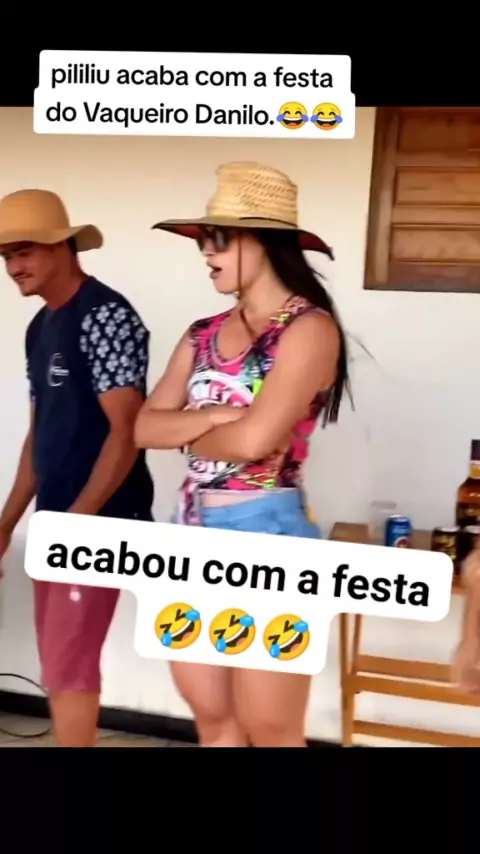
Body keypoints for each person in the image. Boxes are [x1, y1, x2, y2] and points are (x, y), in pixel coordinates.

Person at [135, 161, 351, 747]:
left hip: (270, 534)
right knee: (212, 717)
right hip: (189, 532)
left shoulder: (309, 329)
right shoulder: (201, 333)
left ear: (265, 242)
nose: (206, 251)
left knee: (271, 727)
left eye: (220, 238)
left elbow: (257, 442)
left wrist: (186, 429)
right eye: (203, 239)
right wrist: (214, 418)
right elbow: (142, 428)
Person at [0, 189, 154, 747]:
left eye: (25, 251)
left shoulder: (105, 315)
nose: (14, 266)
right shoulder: (39, 327)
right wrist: (6, 525)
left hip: (99, 520)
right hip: (59, 520)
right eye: (6, 256)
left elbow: (126, 430)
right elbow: (39, 436)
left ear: (64, 246)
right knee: (61, 662)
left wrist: (77, 524)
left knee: (69, 664)